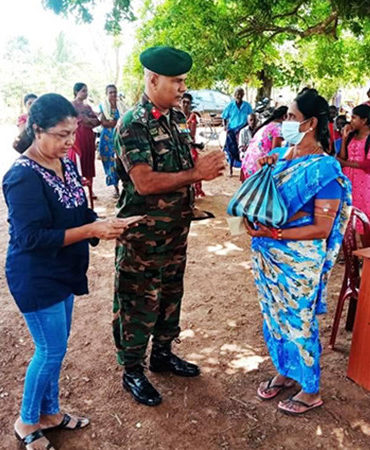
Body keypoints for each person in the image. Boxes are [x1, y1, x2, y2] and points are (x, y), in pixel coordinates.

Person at [6, 93, 133, 450]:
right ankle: (27, 420)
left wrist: (106, 223)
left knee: (55, 349)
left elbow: (79, 214)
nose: (69, 141)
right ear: (36, 130)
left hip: (62, 271)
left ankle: (52, 413)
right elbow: (30, 238)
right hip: (35, 275)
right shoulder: (22, 176)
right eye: (61, 134)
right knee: (49, 350)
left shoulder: (67, 162)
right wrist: (91, 230)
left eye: (72, 133)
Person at [113, 46, 226, 407]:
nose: (182, 88)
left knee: (169, 295)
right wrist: (197, 173)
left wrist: (200, 163)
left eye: (183, 81)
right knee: (137, 302)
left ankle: (162, 354)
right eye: (176, 81)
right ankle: (132, 369)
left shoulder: (175, 119)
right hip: (143, 237)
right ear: (153, 79)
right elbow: (144, 182)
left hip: (175, 232)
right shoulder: (133, 123)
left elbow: (179, 165)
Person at [244, 89, 352, 416]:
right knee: (275, 319)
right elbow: (269, 200)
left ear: (311, 123)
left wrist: (274, 232)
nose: (285, 123)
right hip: (269, 257)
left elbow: (321, 228)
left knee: (299, 322)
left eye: (291, 117)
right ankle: (287, 372)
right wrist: (266, 168)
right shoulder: (283, 156)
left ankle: (311, 389)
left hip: (299, 261)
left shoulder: (325, 170)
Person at [337, 104, 370, 233]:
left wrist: (345, 163)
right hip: (347, 177)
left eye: (354, 118)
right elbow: (342, 156)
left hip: (363, 181)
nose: (351, 121)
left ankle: (362, 243)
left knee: (362, 210)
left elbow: (369, 165)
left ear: (364, 120)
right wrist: (344, 139)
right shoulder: (351, 134)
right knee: (345, 209)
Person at [70, 83, 101, 201]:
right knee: (78, 160)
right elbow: (77, 120)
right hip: (77, 135)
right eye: (83, 91)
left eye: (86, 91)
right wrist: (86, 121)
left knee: (89, 161)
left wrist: (88, 121)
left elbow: (97, 122)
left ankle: (90, 189)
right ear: (76, 91)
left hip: (89, 135)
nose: (85, 93)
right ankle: (77, 190)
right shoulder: (71, 106)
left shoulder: (87, 107)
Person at [240, 106, 287, 179]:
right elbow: (275, 153)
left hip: (248, 164)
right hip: (257, 167)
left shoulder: (267, 126)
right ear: (285, 117)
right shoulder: (278, 128)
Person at [98, 84, 126, 198]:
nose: (113, 94)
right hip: (107, 139)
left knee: (122, 162)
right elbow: (104, 123)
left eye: (115, 92)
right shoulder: (103, 106)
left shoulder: (122, 106)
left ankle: (125, 187)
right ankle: (116, 188)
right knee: (111, 163)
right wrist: (117, 122)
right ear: (106, 94)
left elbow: (124, 121)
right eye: (110, 92)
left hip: (119, 138)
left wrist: (114, 122)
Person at [222, 87, 254, 176]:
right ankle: (231, 170)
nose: (239, 96)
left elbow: (251, 117)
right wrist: (225, 127)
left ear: (243, 95)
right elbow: (224, 117)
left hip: (243, 130)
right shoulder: (230, 106)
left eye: (241, 94)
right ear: (234, 95)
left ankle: (243, 170)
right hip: (232, 130)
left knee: (243, 149)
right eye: (237, 94)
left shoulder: (247, 106)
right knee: (231, 149)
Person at [180, 92, 206, 198]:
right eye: (184, 102)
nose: (186, 104)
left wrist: (181, 129)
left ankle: (195, 190)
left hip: (189, 145)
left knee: (194, 164)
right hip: (179, 145)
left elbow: (191, 134)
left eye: (188, 102)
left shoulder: (192, 116)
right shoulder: (175, 114)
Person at [238, 113, 259, 179]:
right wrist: (251, 148)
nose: (253, 122)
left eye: (254, 120)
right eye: (251, 120)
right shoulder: (243, 131)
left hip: (256, 153)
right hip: (246, 153)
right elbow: (241, 147)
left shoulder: (259, 131)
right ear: (248, 121)